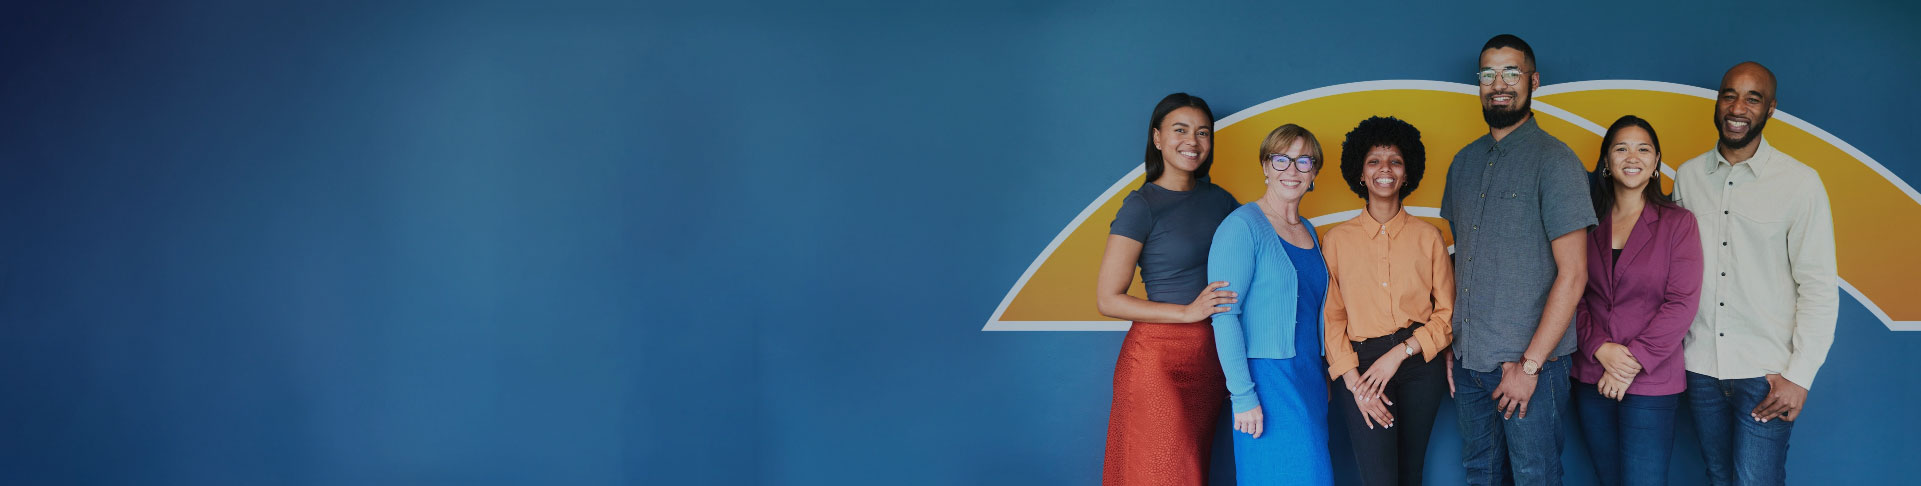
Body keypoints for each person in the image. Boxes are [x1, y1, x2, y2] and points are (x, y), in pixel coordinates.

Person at [1439, 34, 1596, 486]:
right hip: (1471, 363)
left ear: (1533, 80)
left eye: (1511, 72)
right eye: (1488, 74)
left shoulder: (1556, 161)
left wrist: (1530, 366)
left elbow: (1575, 273)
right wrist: (1456, 343)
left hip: (1532, 368)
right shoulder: (1463, 162)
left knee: (1534, 476)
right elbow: (1463, 258)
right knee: (1480, 474)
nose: (1499, 83)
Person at [1673, 62, 1837, 486]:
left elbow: (1818, 287)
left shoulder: (1800, 183)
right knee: (1717, 476)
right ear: (1717, 101)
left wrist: (1800, 377)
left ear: (1771, 109)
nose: (1738, 107)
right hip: (1701, 370)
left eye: (1753, 98)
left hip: (1765, 376)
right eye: (1729, 94)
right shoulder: (1688, 177)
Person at [1095, 93, 1242, 486]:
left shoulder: (1223, 202)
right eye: (1180, 130)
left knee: (1191, 473)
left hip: (1211, 361)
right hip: (1156, 361)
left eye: (1203, 133)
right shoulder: (1140, 205)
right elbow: (1107, 299)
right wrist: (1186, 312)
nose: (1192, 141)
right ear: (1157, 138)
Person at [1322, 116, 1455, 486]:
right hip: (1361, 368)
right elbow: (1331, 319)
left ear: (1407, 173)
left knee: (1410, 474)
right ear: (1360, 174)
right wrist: (1354, 382)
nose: (1385, 169)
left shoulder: (1430, 237)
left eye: (1395, 160)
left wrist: (1399, 354)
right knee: (1379, 478)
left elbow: (1447, 314)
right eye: (1374, 161)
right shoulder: (1336, 241)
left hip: (1417, 364)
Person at [1572, 115, 1702, 486]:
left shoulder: (1678, 223)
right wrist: (1600, 350)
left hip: (1651, 379)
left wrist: (1629, 363)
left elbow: (1681, 303)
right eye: (1621, 148)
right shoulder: (1586, 221)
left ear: (1657, 161)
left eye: (1643, 148)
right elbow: (1572, 293)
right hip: (1592, 375)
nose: (1633, 156)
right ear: (1607, 163)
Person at [1206, 123, 1334, 485]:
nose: (1291, 170)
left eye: (1303, 161)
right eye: (1281, 159)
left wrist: (1321, 370)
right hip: (1266, 381)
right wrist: (1243, 396)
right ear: (1265, 166)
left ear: (1314, 173)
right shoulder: (1241, 226)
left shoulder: (1308, 229)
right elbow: (1224, 316)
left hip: (1308, 376)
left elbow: (1310, 310)